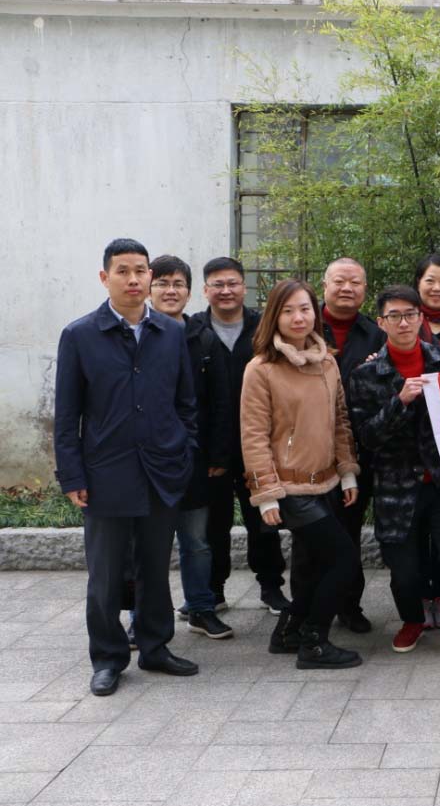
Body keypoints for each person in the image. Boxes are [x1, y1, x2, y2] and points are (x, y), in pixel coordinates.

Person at [55, 238, 200, 696]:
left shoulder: (170, 333)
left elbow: (185, 402)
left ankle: (155, 647)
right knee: (105, 574)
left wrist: (185, 450)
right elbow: (67, 415)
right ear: (105, 278)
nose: (133, 279)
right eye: (123, 271)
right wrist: (72, 475)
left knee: (155, 567)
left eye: (140, 270)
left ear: (149, 277)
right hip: (106, 474)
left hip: (161, 469)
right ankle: (108, 658)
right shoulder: (80, 335)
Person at [348, 285, 440, 663]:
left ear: (421, 318)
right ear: (381, 322)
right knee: (404, 572)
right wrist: (400, 401)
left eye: (410, 315)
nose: (403, 323)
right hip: (395, 486)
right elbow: (367, 437)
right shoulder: (366, 374)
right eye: (394, 316)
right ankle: (412, 620)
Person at [240, 279, 363, 669]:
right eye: (288, 310)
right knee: (344, 561)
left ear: (315, 313)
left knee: (312, 565)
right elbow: (254, 435)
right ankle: (314, 641)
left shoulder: (327, 361)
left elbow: (340, 421)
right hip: (289, 488)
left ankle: (289, 632)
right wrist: (266, 494)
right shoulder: (261, 369)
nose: (298, 317)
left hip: (326, 481)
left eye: (305, 309)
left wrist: (347, 472)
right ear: (274, 316)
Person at [188, 257, 289, 615]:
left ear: (244, 287)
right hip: (211, 449)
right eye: (217, 284)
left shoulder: (265, 328)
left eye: (232, 283)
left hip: (258, 445)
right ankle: (213, 590)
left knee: (264, 519)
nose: (226, 290)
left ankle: (271, 587)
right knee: (213, 525)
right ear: (205, 290)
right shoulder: (193, 330)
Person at [148, 255, 234, 640]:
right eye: (162, 283)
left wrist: (218, 454)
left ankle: (200, 607)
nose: (171, 291)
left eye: (178, 284)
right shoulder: (136, 335)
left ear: (189, 291)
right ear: (149, 289)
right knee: (146, 546)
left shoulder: (203, 338)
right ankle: (142, 619)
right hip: (147, 461)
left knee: (197, 541)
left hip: (194, 458)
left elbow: (220, 402)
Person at [318, 257, 387, 634]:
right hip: (310, 448)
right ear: (324, 285)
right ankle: (310, 608)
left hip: (358, 451)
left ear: (365, 290)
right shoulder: (303, 325)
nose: (347, 288)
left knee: (349, 529)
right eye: (340, 281)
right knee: (313, 532)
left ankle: (349, 604)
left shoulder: (376, 335)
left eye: (355, 283)